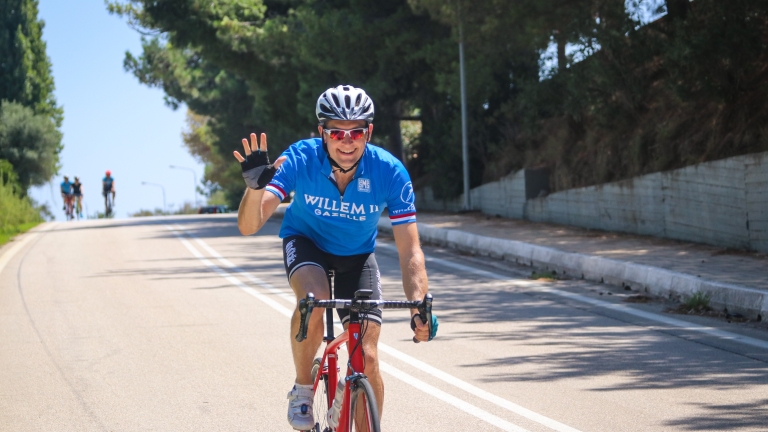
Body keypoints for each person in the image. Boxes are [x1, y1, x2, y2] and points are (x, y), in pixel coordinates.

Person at [234, 85, 437, 431]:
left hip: (356, 257)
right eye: (337, 133)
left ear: (368, 133)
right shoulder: (299, 159)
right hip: (306, 243)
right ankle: (301, 389)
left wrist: (419, 303)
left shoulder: (389, 172)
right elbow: (249, 225)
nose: (347, 141)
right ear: (322, 134)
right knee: (314, 301)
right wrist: (254, 189)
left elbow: (410, 250)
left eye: (356, 132)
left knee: (368, 358)